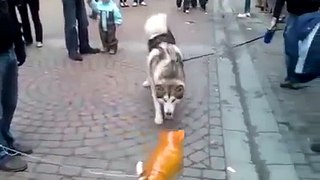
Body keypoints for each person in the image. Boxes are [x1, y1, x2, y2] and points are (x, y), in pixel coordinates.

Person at [0, 0, 33, 172]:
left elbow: (11, 12)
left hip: (9, 48)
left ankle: (6, 140)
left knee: (10, 102)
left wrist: (19, 43)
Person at [269, 0, 320, 89]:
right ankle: (292, 77)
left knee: (309, 48)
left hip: (311, 16)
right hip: (294, 16)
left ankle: (302, 75)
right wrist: (275, 17)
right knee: (291, 47)